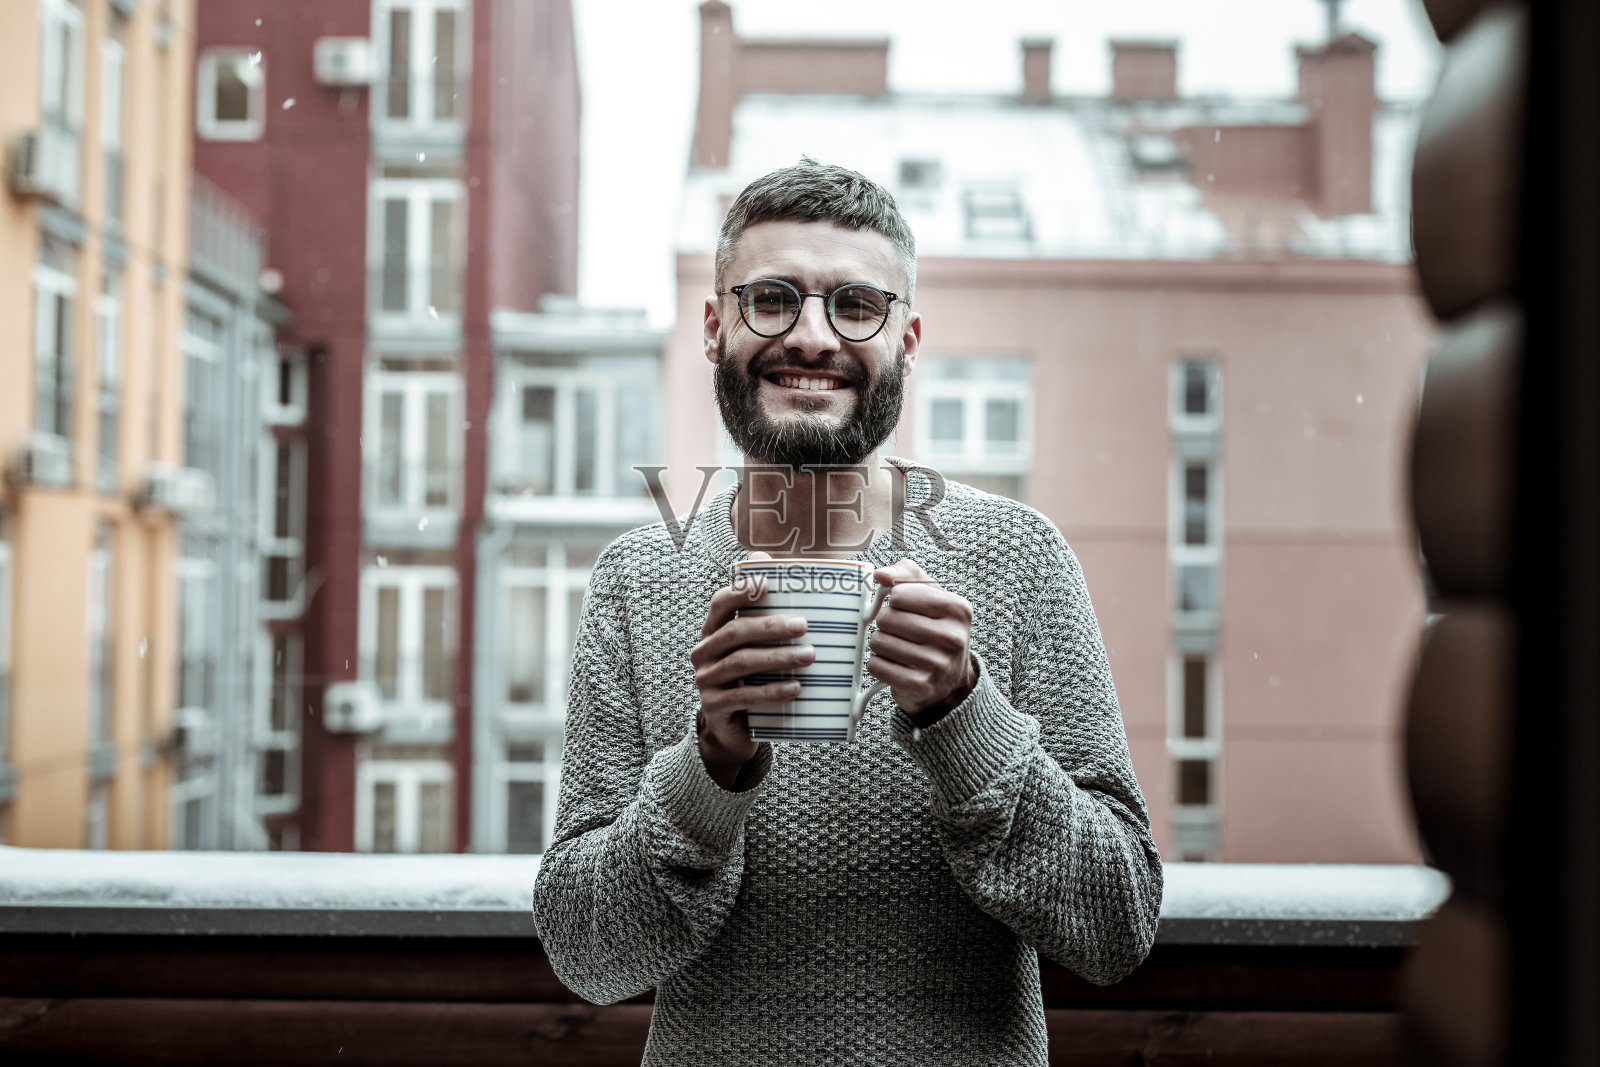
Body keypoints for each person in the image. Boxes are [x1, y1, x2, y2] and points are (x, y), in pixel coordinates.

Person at [532, 160, 1162, 1065]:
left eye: (856, 305)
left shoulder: (1020, 559)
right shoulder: (638, 579)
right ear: (713, 328)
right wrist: (710, 766)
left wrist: (963, 715)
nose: (811, 335)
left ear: (908, 339)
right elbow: (587, 955)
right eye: (771, 299)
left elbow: (1116, 926)